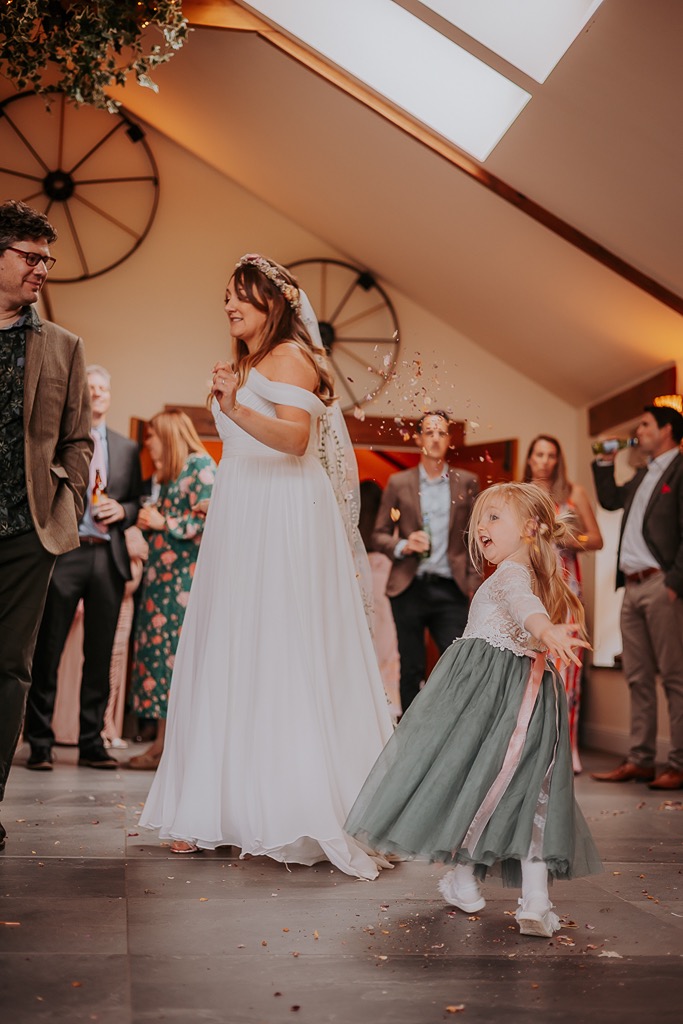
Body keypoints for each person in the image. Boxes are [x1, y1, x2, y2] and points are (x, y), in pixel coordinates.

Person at [140, 253, 394, 877]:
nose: (231, 306)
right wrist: (234, 398)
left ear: (273, 305)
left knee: (281, 645)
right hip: (245, 507)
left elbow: (293, 440)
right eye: (227, 296)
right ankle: (221, 806)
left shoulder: (290, 358)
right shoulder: (253, 362)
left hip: (282, 512)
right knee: (236, 644)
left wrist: (233, 402)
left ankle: (288, 803)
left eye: (243, 297)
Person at [346, 482, 602, 937]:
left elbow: (525, 609)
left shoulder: (509, 575)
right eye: (480, 518)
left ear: (529, 528)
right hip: (531, 698)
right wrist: (547, 634)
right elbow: (529, 609)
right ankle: (533, 900)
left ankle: (466, 880)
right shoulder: (531, 574)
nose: (481, 526)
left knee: (474, 785)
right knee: (528, 795)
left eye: (494, 517)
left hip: (490, 700)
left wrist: (545, 632)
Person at [0, 200, 91, 852]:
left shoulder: (63, 346)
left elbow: (78, 439)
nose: (42, 270)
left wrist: (67, 506)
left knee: (9, 669)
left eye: (47, 259)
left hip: (25, 533)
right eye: (31, 258)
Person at [24, 365, 142, 771]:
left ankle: (92, 742)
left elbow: (137, 503)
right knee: (48, 648)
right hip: (67, 552)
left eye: (103, 387)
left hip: (108, 557)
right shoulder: (64, 442)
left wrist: (122, 509)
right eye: (91, 387)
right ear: (85, 396)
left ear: (110, 394)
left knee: (100, 651)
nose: (98, 393)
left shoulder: (127, 448)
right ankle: (39, 742)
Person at [591, 404, 683, 790]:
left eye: (645, 424)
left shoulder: (680, 470)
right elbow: (611, 499)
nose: (638, 431)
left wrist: (675, 582)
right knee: (638, 677)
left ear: (666, 430)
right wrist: (604, 463)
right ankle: (641, 760)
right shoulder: (644, 472)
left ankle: (678, 763)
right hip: (630, 587)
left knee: (675, 678)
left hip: (662, 585)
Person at [372, 411, 481, 713]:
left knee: (457, 665)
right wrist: (404, 544)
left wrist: (474, 585)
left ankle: (451, 734)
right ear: (418, 439)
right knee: (411, 667)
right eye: (429, 432)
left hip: (451, 589)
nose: (435, 438)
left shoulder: (467, 482)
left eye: (442, 433)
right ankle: (409, 740)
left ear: (449, 439)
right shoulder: (398, 482)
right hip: (409, 587)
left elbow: (476, 536)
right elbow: (378, 534)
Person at [126, 410, 216, 770]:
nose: (148, 443)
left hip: (184, 583)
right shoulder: (170, 474)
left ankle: (173, 751)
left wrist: (166, 522)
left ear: (168, 434)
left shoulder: (201, 466)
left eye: (152, 436)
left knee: (177, 662)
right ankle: (161, 743)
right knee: (160, 662)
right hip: (160, 582)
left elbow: (212, 518)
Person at [523, 435, 603, 773]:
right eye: (538, 454)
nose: (544, 461)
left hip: (567, 593)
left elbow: (596, 538)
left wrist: (571, 537)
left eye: (550, 455)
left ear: (558, 460)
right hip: (532, 592)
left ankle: (568, 744)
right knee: (530, 669)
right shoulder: (520, 495)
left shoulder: (574, 494)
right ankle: (528, 748)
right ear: (529, 459)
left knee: (567, 672)